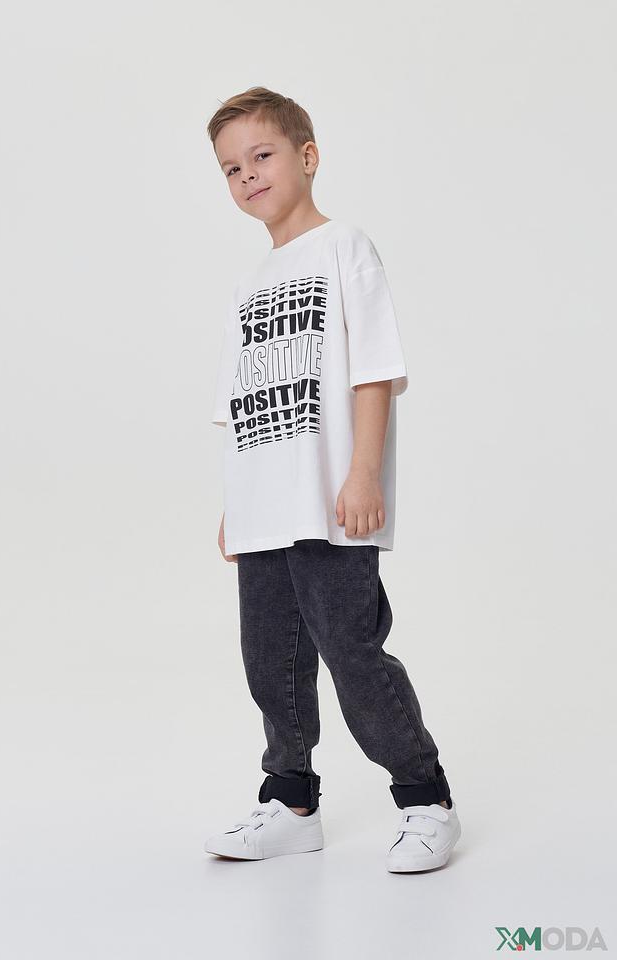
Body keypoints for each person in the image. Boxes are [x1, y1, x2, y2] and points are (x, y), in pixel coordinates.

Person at [203, 86, 461, 872]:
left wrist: (363, 473)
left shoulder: (345, 247)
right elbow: (242, 404)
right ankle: (290, 802)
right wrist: (235, 504)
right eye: (231, 168)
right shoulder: (248, 285)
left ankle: (425, 797)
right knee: (268, 661)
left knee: (352, 651)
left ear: (308, 156)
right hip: (263, 508)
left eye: (262, 155)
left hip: (330, 503)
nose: (248, 174)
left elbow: (374, 369)